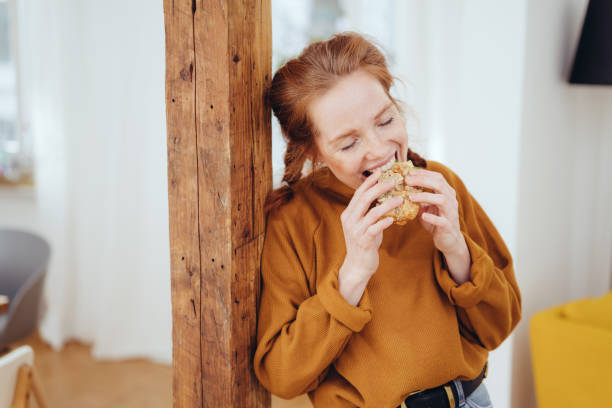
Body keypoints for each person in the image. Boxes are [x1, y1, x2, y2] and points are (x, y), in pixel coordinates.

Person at [253, 31, 521, 408]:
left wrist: (456, 249)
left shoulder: (441, 186)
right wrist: (353, 274)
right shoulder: (294, 220)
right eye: (348, 143)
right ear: (312, 150)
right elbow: (282, 376)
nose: (380, 151)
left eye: (385, 120)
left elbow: (499, 327)